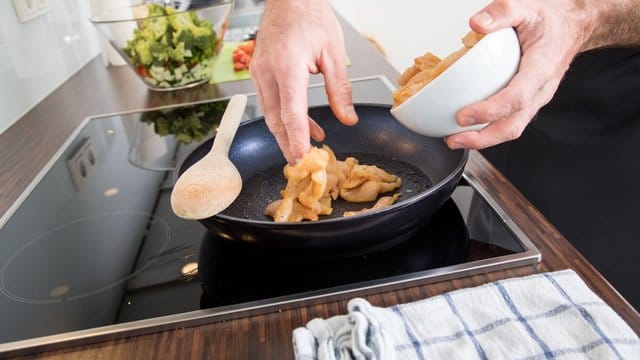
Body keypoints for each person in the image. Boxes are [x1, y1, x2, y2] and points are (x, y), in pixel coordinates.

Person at [249, 0, 640, 309]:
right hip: (505, 107)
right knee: (496, 289)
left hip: (614, 143)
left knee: (593, 308)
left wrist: (581, 16)